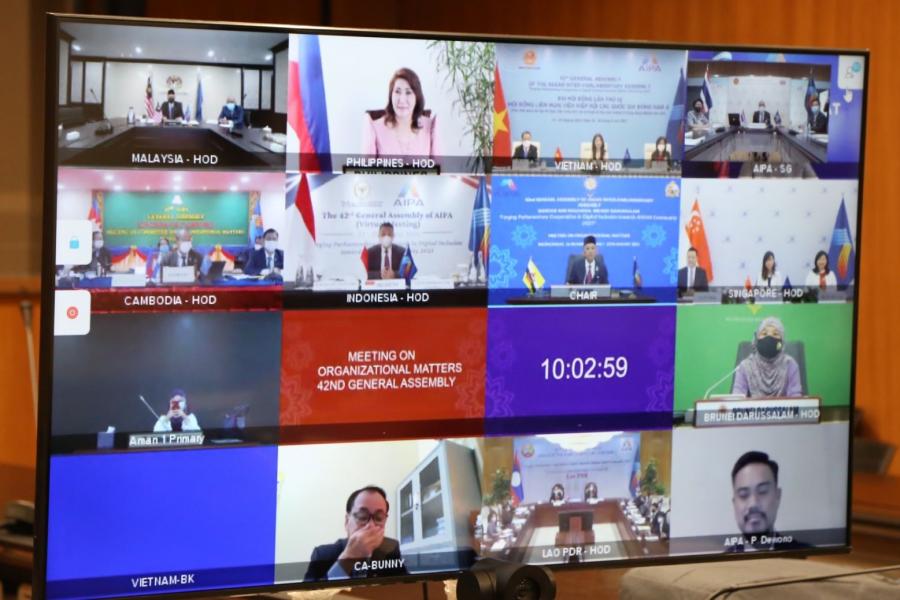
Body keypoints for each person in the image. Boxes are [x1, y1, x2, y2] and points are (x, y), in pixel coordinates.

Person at [304, 486, 407, 582]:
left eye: (379, 518)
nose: (371, 525)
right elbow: (308, 593)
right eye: (362, 517)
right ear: (347, 521)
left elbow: (408, 587)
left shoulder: (391, 550)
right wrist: (348, 558)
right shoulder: (322, 555)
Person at [726, 451, 807, 552]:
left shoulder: (808, 556)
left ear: (777, 496)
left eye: (762, 491)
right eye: (744, 495)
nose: (753, 503)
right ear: (734, 504)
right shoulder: (720, 562)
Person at [363, 68, 438, 158]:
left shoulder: (431, 126)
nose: (402, 100)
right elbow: (367, 166)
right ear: (391, 96)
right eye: (397, 92)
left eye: (408, 92)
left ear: (417, 97)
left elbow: (439, 166)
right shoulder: (374, 128)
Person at [732, 317, 802, 398]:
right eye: (764, 334)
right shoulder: (745, 367)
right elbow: (737, 398)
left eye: (775, 334)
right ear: (756, 340)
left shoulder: (790, 364)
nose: (769, 337)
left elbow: (796, 398)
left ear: (781, 342)